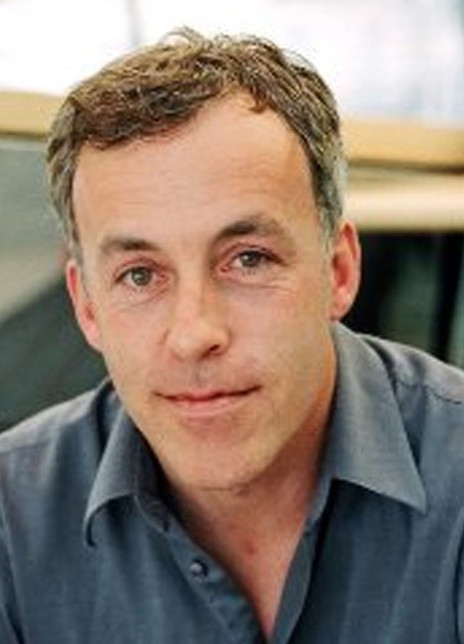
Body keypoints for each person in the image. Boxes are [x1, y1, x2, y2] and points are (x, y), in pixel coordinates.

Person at [0, 29, 463, 644]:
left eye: (248, 259)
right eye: (140, 275)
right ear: (86, 305)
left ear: (338, 271)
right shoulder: (12, 521)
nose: (194, 334)